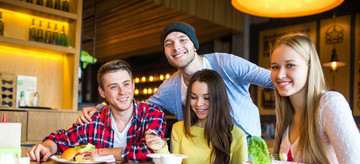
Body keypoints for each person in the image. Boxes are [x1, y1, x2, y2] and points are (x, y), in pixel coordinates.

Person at [77, 22, 273, 140]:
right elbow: (138, 108)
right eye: (168, 44)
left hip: (247, 143)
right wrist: (100, 109)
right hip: (203, 152)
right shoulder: (170, 87)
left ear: (194, 45)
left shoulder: (226, 63)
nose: (176, 47)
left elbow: (271, 79)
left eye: (182, 40)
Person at [27, 59, 166, 164]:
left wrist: (101, 153)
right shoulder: (94, 119)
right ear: (102, 92)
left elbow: (150, 150)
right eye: (113, 87)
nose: (122, 92)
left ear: (133, 85)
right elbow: (60, 140)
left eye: (126, 84)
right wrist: (46, 147)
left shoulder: (153, 114)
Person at [270, 33, 360, 164]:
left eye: (290, 65)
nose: (280, 74)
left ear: (310, 68)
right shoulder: (286, 115)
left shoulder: (330, 103)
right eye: (275, 67)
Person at [145, 70, 248, 164]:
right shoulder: (179, 129)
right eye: (193, 97)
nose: (199, 104)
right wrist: (160, 148)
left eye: (206, 98)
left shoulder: (237, 135)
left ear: (219, 99)